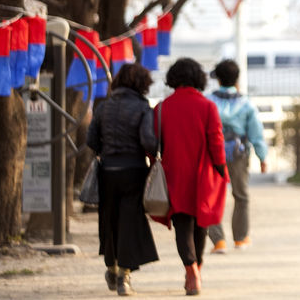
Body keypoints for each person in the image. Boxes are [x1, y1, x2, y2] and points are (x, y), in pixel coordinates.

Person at [157, 58, 227, 296]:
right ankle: (197, 268)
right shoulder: (208, 107)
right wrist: (221, 169)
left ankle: (190, 270)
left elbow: (152, 142)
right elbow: (216, 141)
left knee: (182, 225)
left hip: (173, 173)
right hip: (203, 175)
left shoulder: (162, 107)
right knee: (201, 226)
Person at [87, 63, 159, 296]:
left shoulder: (103, 107)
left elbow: (91, 140)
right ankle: (124, 277)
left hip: (107, 170)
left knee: (109, 219)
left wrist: (105, 151)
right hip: (134, 171)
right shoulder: (142, 108)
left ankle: (111, 266)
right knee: (129, 221)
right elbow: (149, 141)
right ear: (142, 84)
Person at [206, 59, 269, 253]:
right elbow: (256, 133)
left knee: (211, 196)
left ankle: (218, 240)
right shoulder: (246, 104)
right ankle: (240, 238)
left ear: (218, 80)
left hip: (212, 153)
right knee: (241, 195)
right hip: (238, 153)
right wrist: (262, 156)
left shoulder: (208, 100)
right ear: (237, 79)